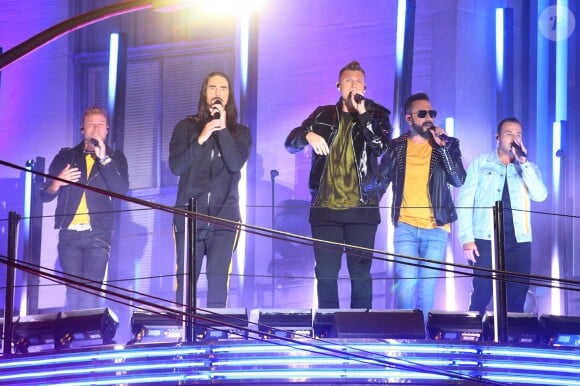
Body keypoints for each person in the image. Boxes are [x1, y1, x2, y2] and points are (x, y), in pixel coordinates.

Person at [285, 60, 391, 309]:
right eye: (348, 81)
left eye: (357, 81)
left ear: (365, 86)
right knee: (326, 274)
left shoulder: (377, 115)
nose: (353, 85)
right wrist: (306, 134)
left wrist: (363, 114)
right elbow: (291, 143)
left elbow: (380, 147)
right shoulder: (322, 114)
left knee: (361, 274)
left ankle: (359, 330)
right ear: (338, 86)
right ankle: (327, 328)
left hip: (362, 209)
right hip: (325, 209)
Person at [169, 71, 251, 307]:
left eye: (223, 88)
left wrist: (222, 128)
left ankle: (216, 335)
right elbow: (176, 166)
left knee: (218, 284)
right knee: (186, 282)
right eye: (212, 88)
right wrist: (202, 137)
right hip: (190, 216)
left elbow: (235, 163)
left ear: (229, 96)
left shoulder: (240, 133)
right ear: (205, 93)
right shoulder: (186, 127)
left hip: (225, 218)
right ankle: (185, 335)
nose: (217, 93)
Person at [379, 92, 466, 313]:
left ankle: (422, 338)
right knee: (407, 283)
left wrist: (443, 148)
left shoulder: (448, 144)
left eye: (431, 113)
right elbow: (380, 181)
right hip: (405, 225)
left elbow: (458, 180)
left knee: (427, 288)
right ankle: (403, 337)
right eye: (422, 113)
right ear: (409, 119)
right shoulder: (396, 146)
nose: (429, 117)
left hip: (437, 227)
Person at [40, 107, 129, 310]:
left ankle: (88, 336)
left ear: (107, 130)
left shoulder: (116, 158)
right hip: (69, 235)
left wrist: (104, 159)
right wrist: (57, 182)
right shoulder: (66, 156)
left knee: (90, 293)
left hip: (98, 233)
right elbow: (44, 194)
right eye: (91, 124)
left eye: (100, 125)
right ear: (83, 129)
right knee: (73, 293)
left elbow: (121, 190)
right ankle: (74, 336)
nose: (96, 129)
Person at [456, 117, 547, 316]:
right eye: (509, 134)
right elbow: (464, 202)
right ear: (498, 137)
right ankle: (474, 339)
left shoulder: (527, 167)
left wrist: (524, 163)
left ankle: (512, 342)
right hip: (485, 238)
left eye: (518, 135)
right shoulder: (480, 163)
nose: (514, 138)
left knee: (517, 296)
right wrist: (467, 239)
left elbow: (540, 195)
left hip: (519, 240)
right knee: (482, 292)